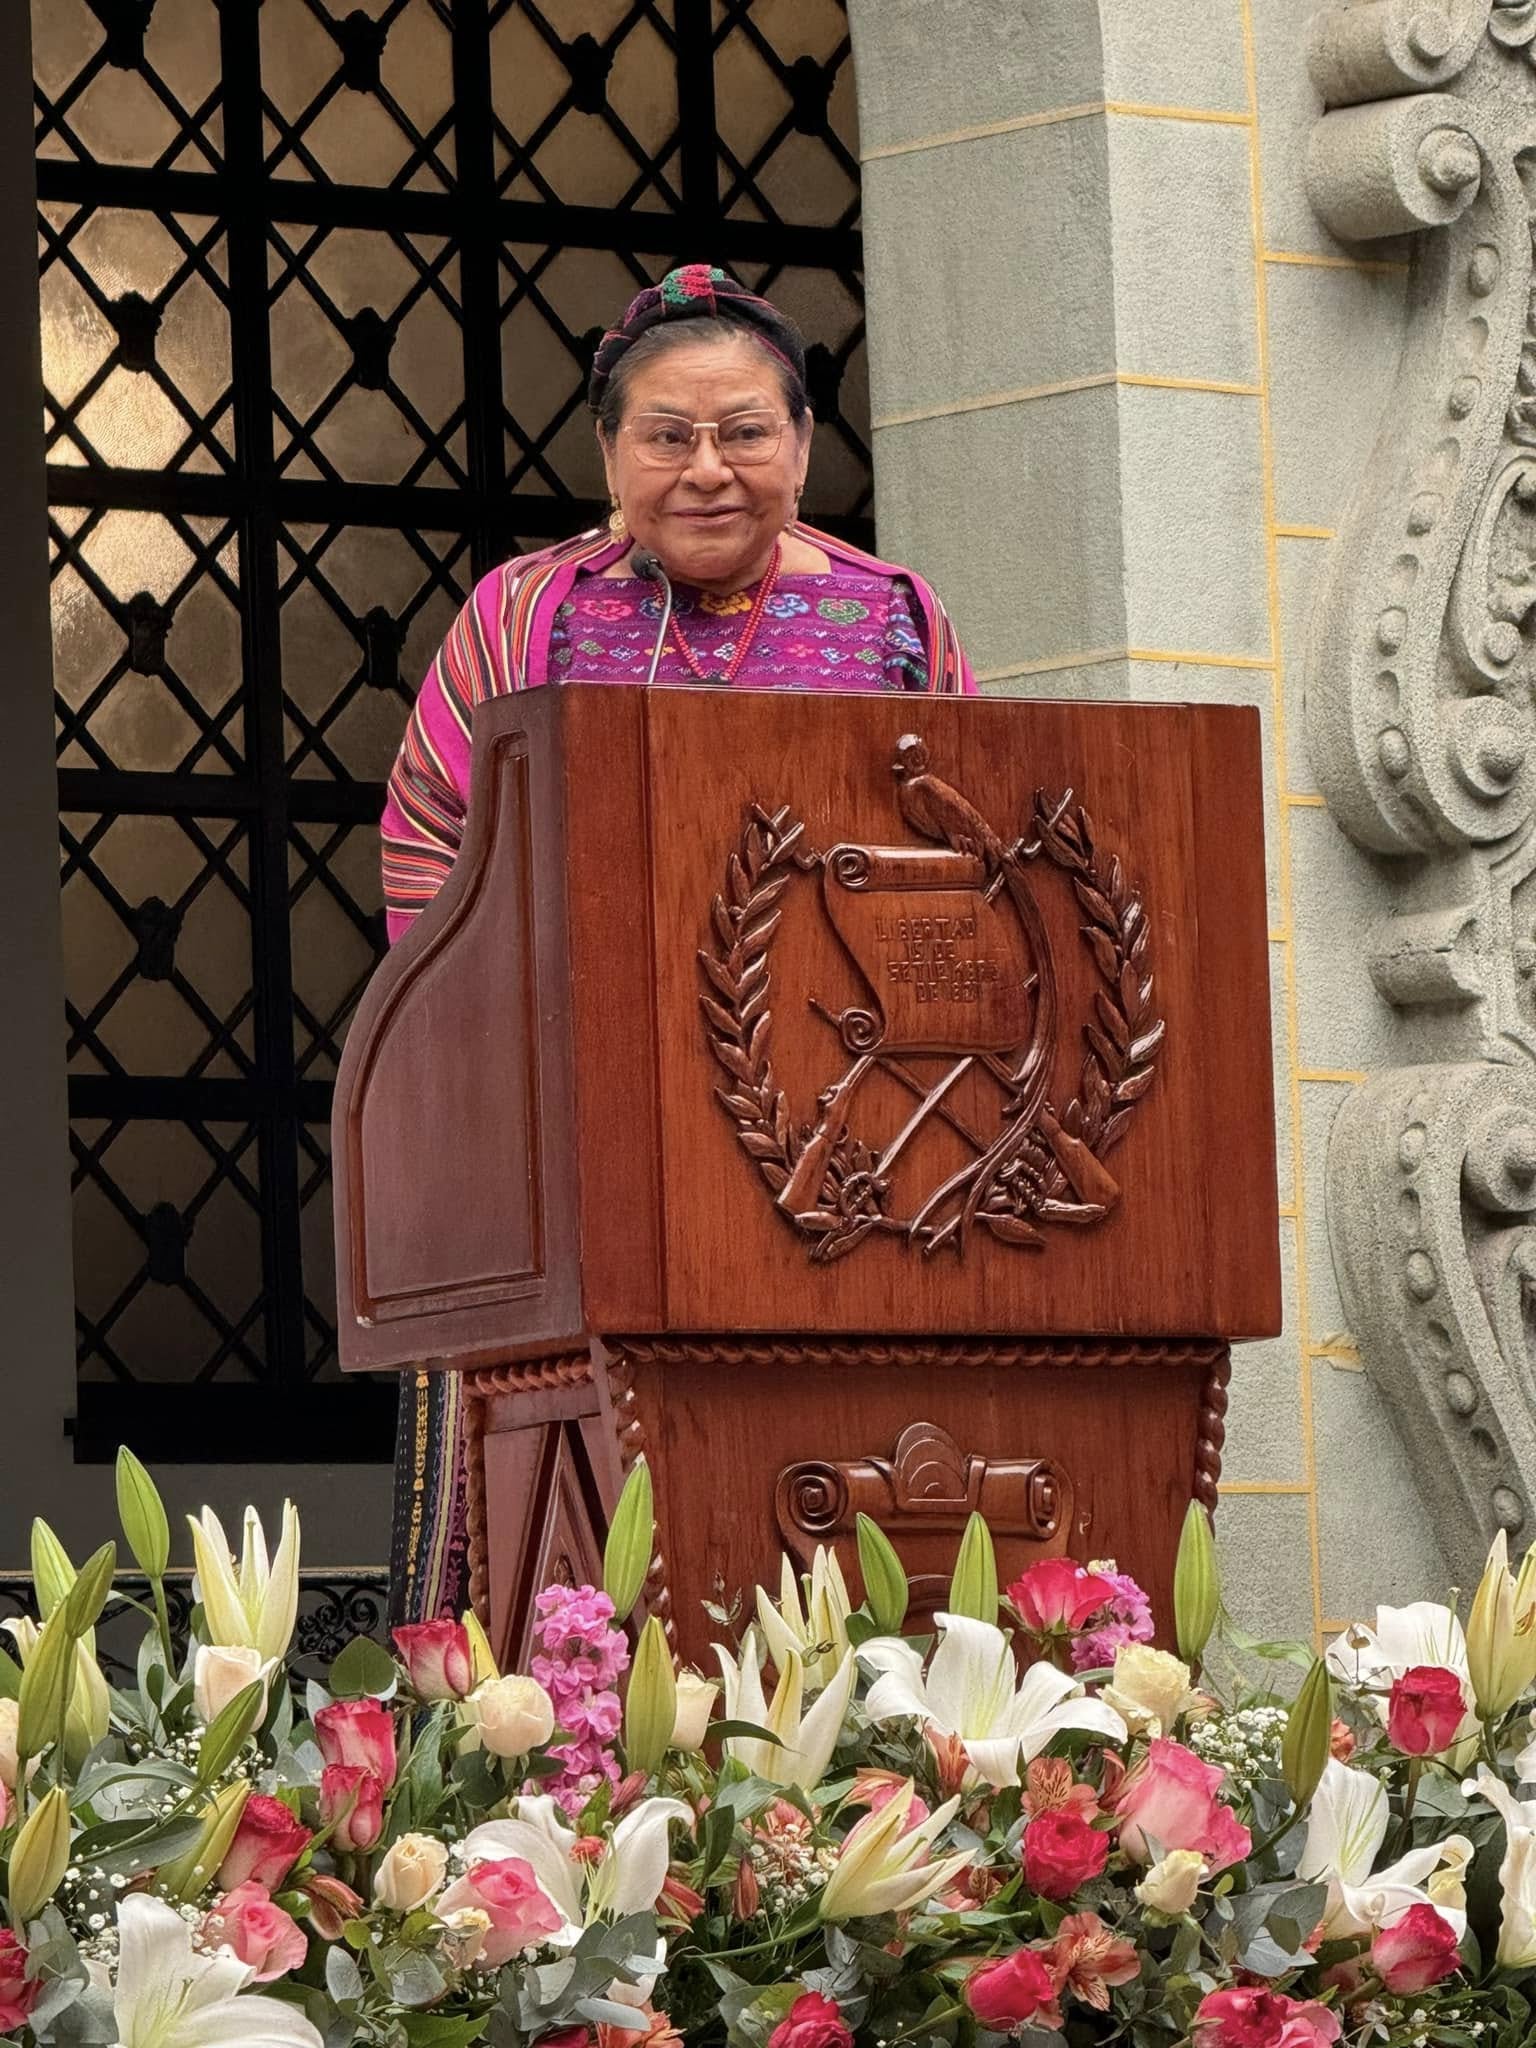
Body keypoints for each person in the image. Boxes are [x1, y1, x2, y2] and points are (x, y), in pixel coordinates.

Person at [380, 264, 977, 1621]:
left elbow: (972, 858)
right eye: (668, 434)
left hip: (846, 1131)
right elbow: (428, 848)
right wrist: (502, 1058)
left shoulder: (895, 620)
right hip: (573, 1126)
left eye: (745, 431)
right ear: (611, 455)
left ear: (804, 446)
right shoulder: (525, 618)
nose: (708, 469)